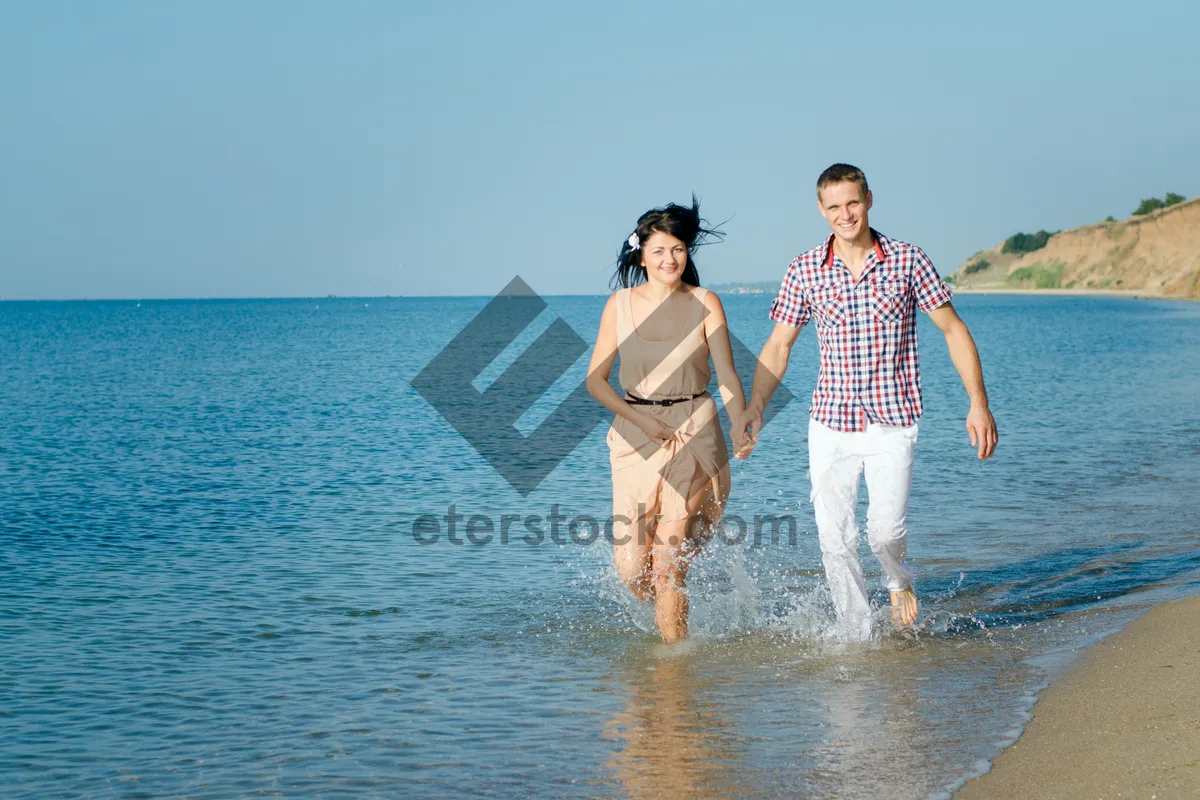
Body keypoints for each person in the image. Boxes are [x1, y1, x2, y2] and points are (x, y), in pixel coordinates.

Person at [737, 164, 998, 641]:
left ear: (869, 199)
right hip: (830, 423)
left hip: (893, 421)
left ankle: (898, 580)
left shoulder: (907, 260)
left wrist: (977, 403)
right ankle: (857, 637)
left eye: (852, 202)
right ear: (821, 210)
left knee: (882, 534)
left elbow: (953, 329)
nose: (845, 214)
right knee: (834, 540)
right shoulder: (804, 269)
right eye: (834, 206)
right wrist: (756, 407)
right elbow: (779, 346)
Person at [586, 198, 753, 643]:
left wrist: (740, 421)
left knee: (667, 562)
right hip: (634, 431)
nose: (669, 259)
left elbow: (728, 375)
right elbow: (596, 382)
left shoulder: (705, 302)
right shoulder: (619, 306)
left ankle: (673, 671)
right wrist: (638, 420)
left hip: (693, 427)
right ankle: (676, 621)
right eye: (659, 250)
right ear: (642, 254)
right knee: (631, 570)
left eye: (678, 248)